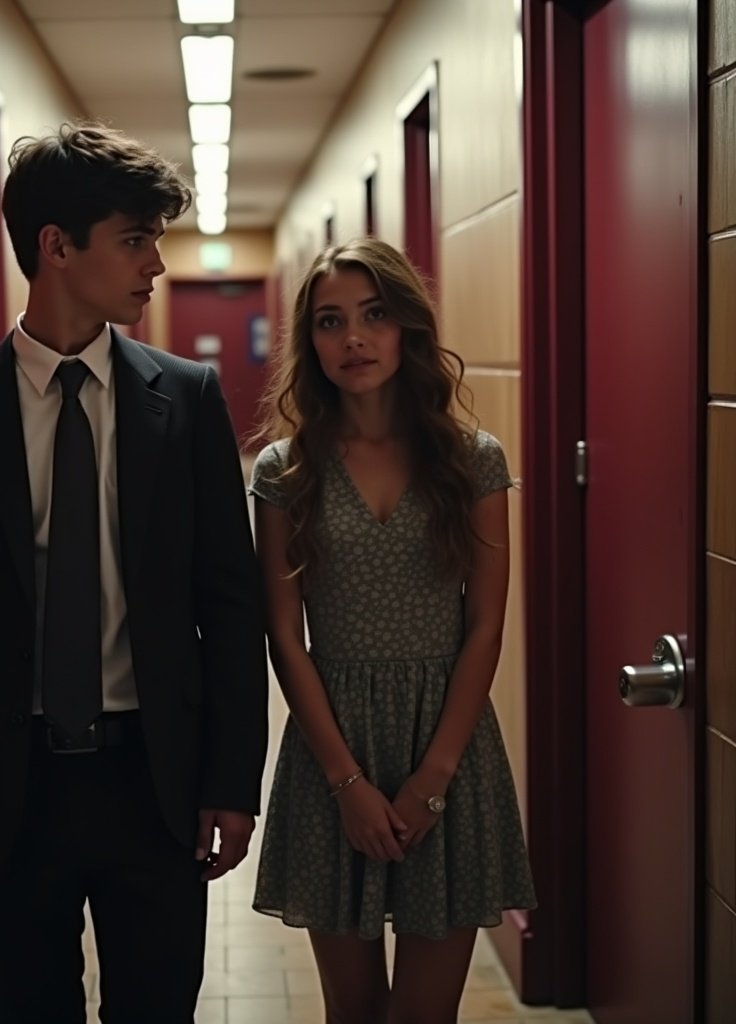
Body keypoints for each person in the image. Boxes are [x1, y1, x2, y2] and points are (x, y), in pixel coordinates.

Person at [0, 121, 268, 1024]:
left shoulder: (188, 400)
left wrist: (232, 780)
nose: (155, 266)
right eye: (136, 240)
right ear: (56, 247)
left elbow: (228, 601)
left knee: (159, 1006)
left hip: (155, 778)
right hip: (14, 785)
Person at [249, 237, 536, 1024]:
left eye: (374, 315)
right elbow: (284, 634)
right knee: (353, 1011)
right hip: (330, 749)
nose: (354, 339)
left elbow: (485, 627)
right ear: (310, 341)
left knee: (422, 1015)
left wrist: (431, 781)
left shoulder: (472, 461)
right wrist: (347, 784)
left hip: (448, 747)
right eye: (330, 321)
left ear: (407, 325)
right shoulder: (284, 470)